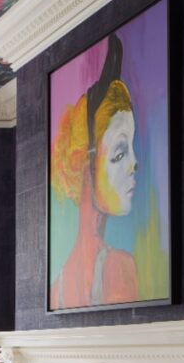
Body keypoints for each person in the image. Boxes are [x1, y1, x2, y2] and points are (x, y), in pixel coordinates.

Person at [50, 33, 139, 309]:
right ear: (83, 164)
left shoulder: (57, 289)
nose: (135, 163)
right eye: (120, 152)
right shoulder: (119, 267)